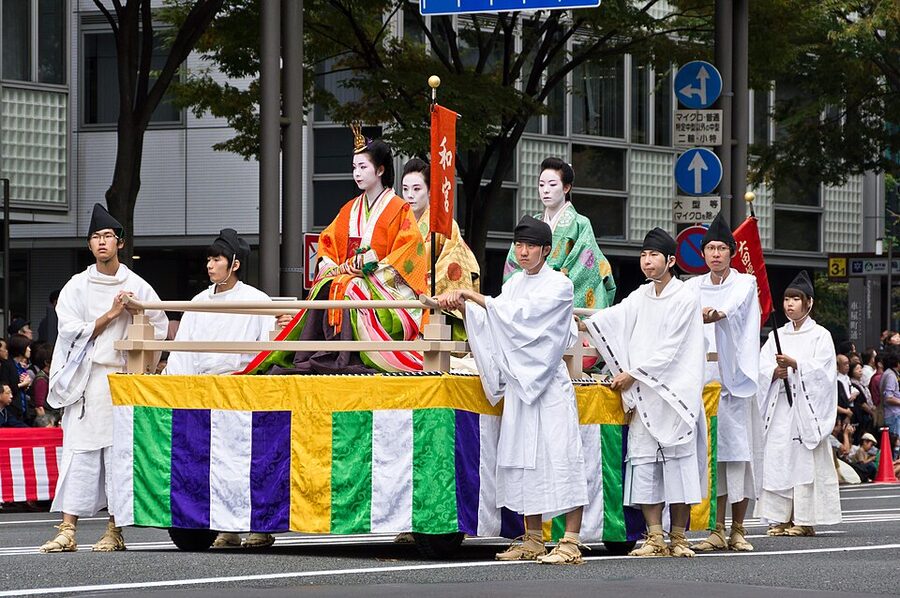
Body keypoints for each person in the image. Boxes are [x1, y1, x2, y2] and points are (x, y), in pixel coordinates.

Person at [434, 216, 588, 565]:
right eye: (518, 245)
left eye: (530, 246)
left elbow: (525, 318)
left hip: (548, 385)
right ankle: (533, 538)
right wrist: (468, 308)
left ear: (546, 250)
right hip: (522, 386)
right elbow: (497, 321)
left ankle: (571, 540)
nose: (523, 251)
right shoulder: (515, 282)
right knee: (522, 461)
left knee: (561, 457)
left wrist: (475, 296)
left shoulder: (559, 286)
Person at [39, 203, 167, 553]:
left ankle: (114, 529)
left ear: (119, 243)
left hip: (121, 379)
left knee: (118, 456)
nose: (101, 242)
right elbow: (69, 331)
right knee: (78, 454)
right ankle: (68, 529)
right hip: (87, 378)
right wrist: (113, 313)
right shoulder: (77, 286)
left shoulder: (137, 284)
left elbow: (158, 326)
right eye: (95, 237)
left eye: (108, 236)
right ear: (90, 244)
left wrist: (136, 311)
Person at [247, 127, 428, 375]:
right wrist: (333, 266)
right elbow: (327, 241)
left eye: (363, 167)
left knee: (351, 289)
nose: (357, 173)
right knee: (329, 286)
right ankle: (317, 353)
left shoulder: (399, 208)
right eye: (354, 167)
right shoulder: (349, 209)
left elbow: (409, 252)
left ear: (381, 169)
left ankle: (347, 356)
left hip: (384, 290)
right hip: (350, 278)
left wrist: (371, 266)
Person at [582, 227, 706, 558]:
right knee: (645, 465)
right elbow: (611, 318)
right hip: (644, 394)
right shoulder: (640, 296)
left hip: (674, 394)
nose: (647, 261)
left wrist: (632, 375)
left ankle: (678, 537)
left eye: (653, 255)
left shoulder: (686, 298)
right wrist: (580, 322)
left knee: (679, 467)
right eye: (643, 255)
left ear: (671, 260)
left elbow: (673, 350)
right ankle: (654, 537)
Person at [163, 229, 277, 549]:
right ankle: (226, 526)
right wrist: (178, 385)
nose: (210, 265)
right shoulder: (199, 301)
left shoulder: (257, 301)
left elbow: (266, 352)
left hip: (243, 387)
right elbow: (183, 349)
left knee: (251, 460)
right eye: (209, 259)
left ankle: (260, 526)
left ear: (235, 264)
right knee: (216, 462)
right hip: (203, 388)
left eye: (217, 259)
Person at [686, 213, 763, 553]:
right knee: (711, 456)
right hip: (702, 379)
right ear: (702, 254)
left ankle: (740, 528)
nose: (715, 254)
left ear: (732, 252)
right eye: (710, 248)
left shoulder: (744, 283)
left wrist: (716, 312)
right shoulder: (692, 286)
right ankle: (716, 529)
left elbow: (730, 307)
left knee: (737, 455)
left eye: (721, 248)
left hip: (734, 381)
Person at [758, 271, 841, 537]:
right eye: (786, 299)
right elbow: (761, 367)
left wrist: (797, 366)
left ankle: (804, 520)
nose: (790, 304)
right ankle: (779, 518)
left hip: (805, 410)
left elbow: (825, 374)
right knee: (778, 459)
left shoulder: (820, 335)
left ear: (809, 303)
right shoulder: (776, 336)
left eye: (796, 299)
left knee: (803, 463)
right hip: (780, 407)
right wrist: (774, 373)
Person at [503, 157, 616, 310]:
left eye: (552, 184)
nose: (545, 190)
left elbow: (585, 267)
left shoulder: (580, 224)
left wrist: (554, 283)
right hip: (529, 292)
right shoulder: (533, 223)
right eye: (541, 185)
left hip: (560, 296)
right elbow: (514, 261)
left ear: (566, 188)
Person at [401, 158, 480, 299]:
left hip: (429, 297)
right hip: (400, 294)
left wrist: (421, 286)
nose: (410, 195)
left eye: (417, 189)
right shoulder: (398, 223)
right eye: (405, 189)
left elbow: (454, 261)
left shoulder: (444, 224)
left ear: (430, 191)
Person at [6, 334, 34, 425]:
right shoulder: (8, 365)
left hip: (22, 409)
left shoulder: (20, 366)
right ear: (20, 348)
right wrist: (23, 384)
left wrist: (26, 385)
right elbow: (6, 387)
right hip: (12, 410)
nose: (29, 349)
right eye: (27, 347)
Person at [28, 343, 58, 427]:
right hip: (47, 423)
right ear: (47, 362)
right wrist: (46, 425)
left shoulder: (50, 377)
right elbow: (39, 407)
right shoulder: (41, 380)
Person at [883, 350, 900, 440]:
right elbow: (888, 398)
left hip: (894, 414)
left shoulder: (891, 374)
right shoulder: (890, 376)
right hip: (893, 415)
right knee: (896, 443)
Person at [836, 354, 855, 423]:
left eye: (848, 363)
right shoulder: (837, 381)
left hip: (850, 410)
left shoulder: (847, 378)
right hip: (842, 413)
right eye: (844, 364)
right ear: (838, 366)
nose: (847, 366)